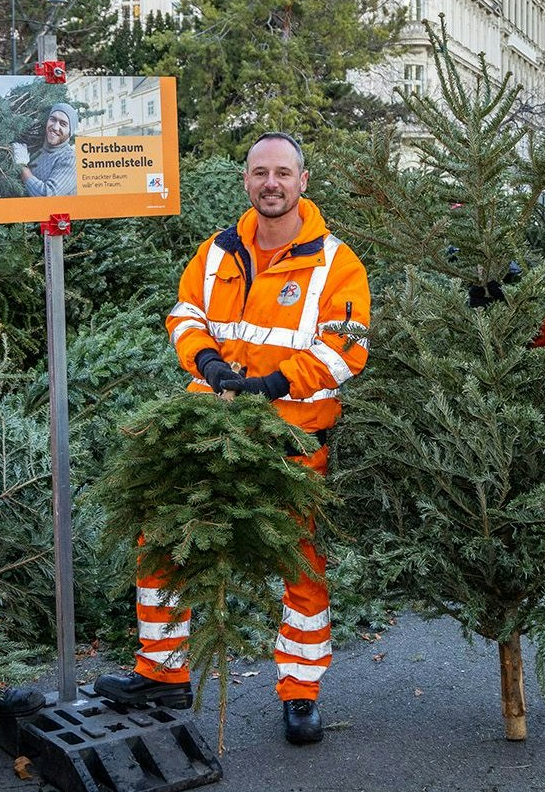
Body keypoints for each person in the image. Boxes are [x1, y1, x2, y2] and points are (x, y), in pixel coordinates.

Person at [92, 132, 371, 746]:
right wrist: (208, 363)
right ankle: (163, 674)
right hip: (210, 421)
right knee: (162, 537)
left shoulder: (335, 261)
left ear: (303, 182)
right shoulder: (217, 252)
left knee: (299, 562)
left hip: (293, 436)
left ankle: (300, 693)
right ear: (246, 181)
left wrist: (273, 384)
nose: (271, 183)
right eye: (259, 173)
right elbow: (184, 313)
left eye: (282, 173)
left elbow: (347, 347)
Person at [11, 101, 78, 197]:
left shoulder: (70, 159)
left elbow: (47, 194)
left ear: (70, 132)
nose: (55, 127)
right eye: (53, 119)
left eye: (63, 124)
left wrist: (22, 167)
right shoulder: (38, 149)